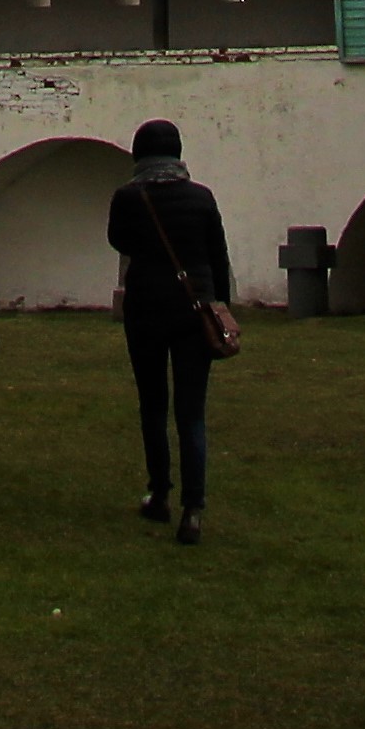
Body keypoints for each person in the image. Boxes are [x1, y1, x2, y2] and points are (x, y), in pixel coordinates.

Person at [108, 116, 233, 544]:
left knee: (153, 406)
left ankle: (159, 493)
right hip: (194, 308)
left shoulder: (128, 197)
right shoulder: (201, 198)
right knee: (192, 412)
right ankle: (193, 509)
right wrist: (221, 308)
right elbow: (218, 256)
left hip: (146, 308)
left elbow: (119, 241)